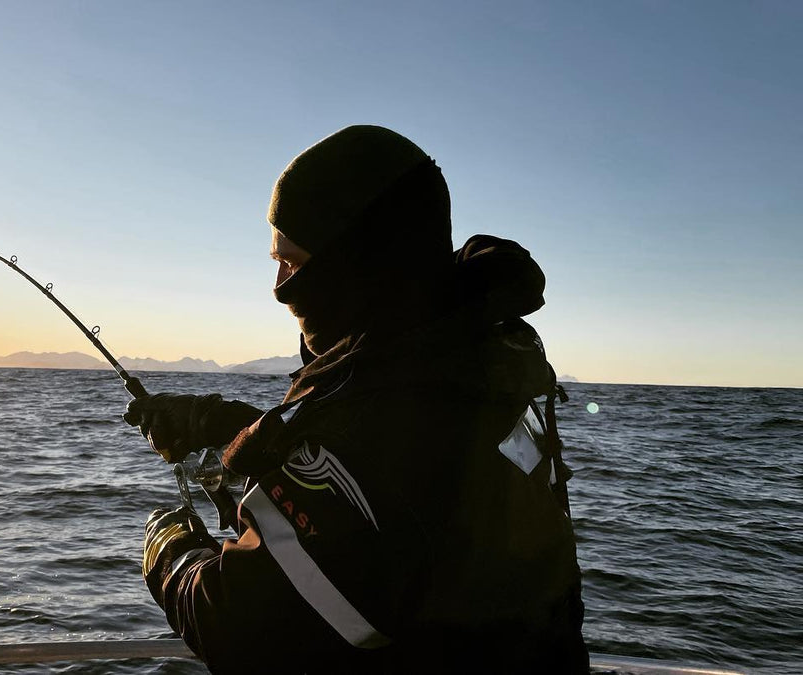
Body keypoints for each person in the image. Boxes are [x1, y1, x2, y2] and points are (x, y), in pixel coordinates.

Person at [124, 125, 588, 673]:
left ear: (354, 265)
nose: (277, 285)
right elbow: (388, 489)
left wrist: (170, 550)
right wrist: (219, 423)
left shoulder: (385, 425)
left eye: (291, 264)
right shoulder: (469, 356)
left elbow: (238, 626)